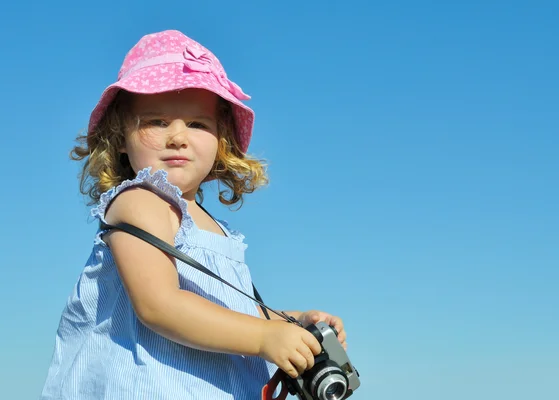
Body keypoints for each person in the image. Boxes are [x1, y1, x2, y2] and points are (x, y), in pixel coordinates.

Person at [41, 30, 348, 400]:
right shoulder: (140, 201)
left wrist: (291, 322)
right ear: (121, 137)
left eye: (197, 124)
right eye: (156, 121)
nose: (177, 137)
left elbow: (227, 309)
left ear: (221, 142)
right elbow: (159, 305)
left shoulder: (215, 227)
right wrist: (265, 337)